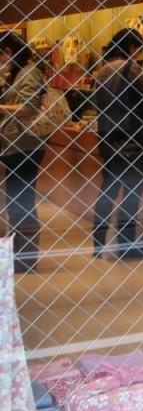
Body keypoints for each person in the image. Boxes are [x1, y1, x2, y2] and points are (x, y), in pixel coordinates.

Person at [91, 29, 143, 260]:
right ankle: (127, 245)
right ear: (131, 47)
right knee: (131, 193)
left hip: (108, 138)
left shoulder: (101, 71)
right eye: (138, 49)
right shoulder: (128, 68)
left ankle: (98, 244)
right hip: (131, 139)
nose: (138, 54)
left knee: (108, 192)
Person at [0, 32, 50, 274]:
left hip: (25, 146)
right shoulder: (18, 72)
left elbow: (28, 108)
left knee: (22, 201)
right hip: (15, 145)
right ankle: (20, 255)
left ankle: (26, 258)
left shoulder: (29, 73)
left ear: (8, 52)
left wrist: (2, 107)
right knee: (16, 200)